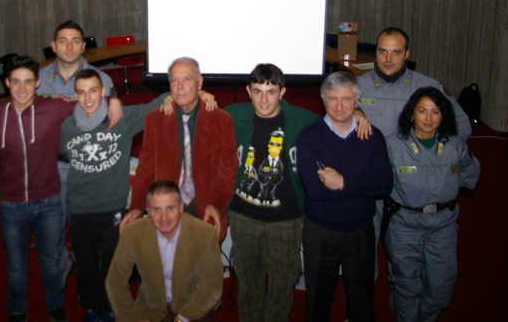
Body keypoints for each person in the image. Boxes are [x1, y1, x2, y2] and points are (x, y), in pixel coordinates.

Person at [61, 70, 215, 322]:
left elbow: (157, 103)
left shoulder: (122, 118)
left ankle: (110, 308)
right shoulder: (67, 125)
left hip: (112, 205)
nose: (87, 97)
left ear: (103, 92)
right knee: (85, 262)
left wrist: (196, 92)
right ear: (74, 94)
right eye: (81, 91)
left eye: (93, 90)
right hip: (79, 208)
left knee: (113, 262)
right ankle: (91, 305)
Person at [0, 56, 123, 322]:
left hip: (49, 200)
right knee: (15, 264)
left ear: (37, 83)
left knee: (51, 261)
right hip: (11, 204)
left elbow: (88, 101)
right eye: (16, 82)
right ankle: (16, 308)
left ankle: (54, 305)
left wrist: (114, 99)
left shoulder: (53, 108)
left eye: (28, 81)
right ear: (7, 84)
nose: (23, 88)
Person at [356, 27, 472, 300]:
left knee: (406, 253)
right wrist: (356, 111)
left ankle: (403, 297)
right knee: (365, 246)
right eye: (382, 51)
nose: (388, 59)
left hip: (409, 186)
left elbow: (461, 127)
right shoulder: (357, 86)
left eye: (396, 52)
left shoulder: (426, 86)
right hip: (371, 183)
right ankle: (363, 304)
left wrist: (435, 159)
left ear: (407, 54)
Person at [224, 63, 319, 322]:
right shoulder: (233, 115)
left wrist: (359, 112)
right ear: (248, 91)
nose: (264, 99)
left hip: (286, 220)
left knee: (282, 285)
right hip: (244, 217)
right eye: (257, 92)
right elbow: (198, 113)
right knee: (249, 285)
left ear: (283, 92)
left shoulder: (302, 119)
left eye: (271, 91)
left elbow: (337, 119)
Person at [297, 71, 393, 322]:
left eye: (346, 99)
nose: (339, 106)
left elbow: (384, 184)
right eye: (332, 99)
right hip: (320, 233)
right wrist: (361, 185)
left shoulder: (372, 136)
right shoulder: (309, 137)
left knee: (362, 304)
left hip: (360, 232)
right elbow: (314, 191)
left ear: (357, 101)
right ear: (323, 100)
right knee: (317, 304)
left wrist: (342, 182)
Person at [384, 87, 480, 321]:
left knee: (441, 292)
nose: (428, 119)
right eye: (422, 111)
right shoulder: (393, 146)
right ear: (411, 114)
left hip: (442, 226)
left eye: (435, 112)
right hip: (405, 226)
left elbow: (470, 177)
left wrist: (464, 159)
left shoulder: (454, 145)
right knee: (407, 288)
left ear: (443, 115)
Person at [120, 57, 239, 241]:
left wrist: (216, 204)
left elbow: (228, 172)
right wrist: (136, 206)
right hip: (167, 212)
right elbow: (145, 170)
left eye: (187, 79)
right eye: (174, 80)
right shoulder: (155, 120)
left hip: (205, 208)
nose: (179, 86)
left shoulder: (221, 120)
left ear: (200, 83)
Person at [106, 180, 223, 322]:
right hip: (151, 308)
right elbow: (115, 282)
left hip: (192, 306)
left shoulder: (205, 234)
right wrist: (132, 319)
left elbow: (212, 287)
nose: (164, 218)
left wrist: (181, 319)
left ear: (180, 207)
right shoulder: (132, 233)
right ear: (147, 210)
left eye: (170, 208)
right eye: (157, 210)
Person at [38, 20, 116, 225]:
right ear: (53, 46)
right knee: (52, 231)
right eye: (63, 41)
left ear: (84, 46)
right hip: (51, 168)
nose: (69, 47)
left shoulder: (102, 80)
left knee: (87, 235)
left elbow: (111, 128)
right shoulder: (37, 81)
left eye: (75, 41)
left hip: (88, 169)